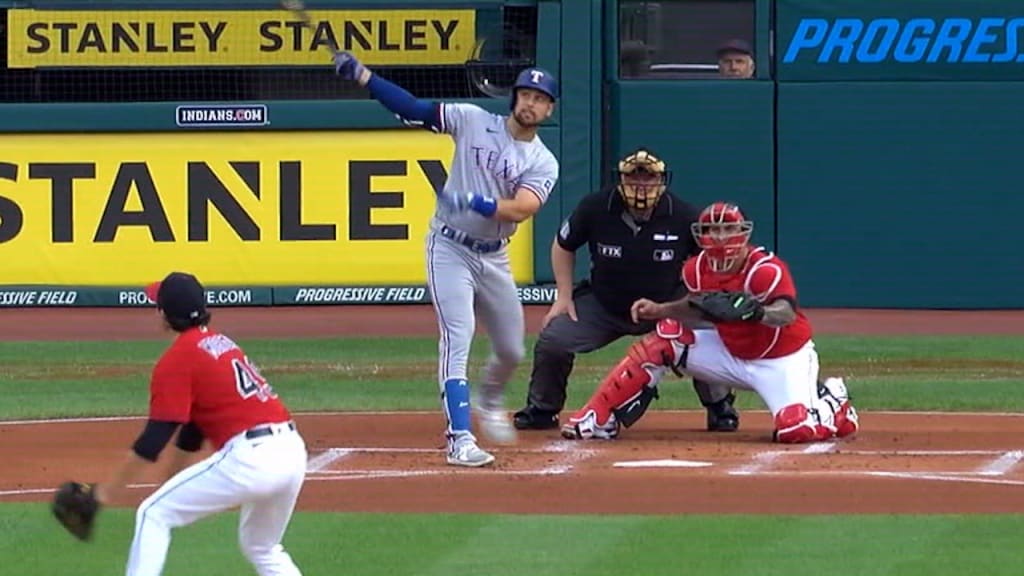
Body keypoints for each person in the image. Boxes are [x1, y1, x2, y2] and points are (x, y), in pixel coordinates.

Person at [332, 52, 560, 467]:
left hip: (494, 258)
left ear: (549, 108)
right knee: (458, 338)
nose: (530, 102)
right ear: (514, 97)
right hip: (449, 248)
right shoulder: (472, 119)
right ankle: (459, 438)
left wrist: (476, 201)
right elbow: (413, 108)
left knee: (511, 350)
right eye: (525, 93)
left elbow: (522, 209)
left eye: (539, 98)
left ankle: (489, 398)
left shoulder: (543, 161)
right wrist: (365, 77)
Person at [561, 202, 859, 443]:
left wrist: (756, 312)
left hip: (781, 359)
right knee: (666, 336)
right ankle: (598, 416)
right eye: (713, 230)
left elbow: (786, 313)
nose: (719, 237)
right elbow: (697, 307)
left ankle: (832, 400)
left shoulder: (765, 270)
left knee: (796, 431)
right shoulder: (696, 268)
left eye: (727, 228)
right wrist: (661, 309)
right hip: (731, 353)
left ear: (743, 232)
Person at [93, 271, 308, 576]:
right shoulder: (221, 343)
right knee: (262, 546)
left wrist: (103, 494)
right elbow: (191, 435)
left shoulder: (178, 359)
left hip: (253, 459)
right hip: (292, 451)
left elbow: (153, 440)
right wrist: (168, 486)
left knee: (152, 514)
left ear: (165, 314)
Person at [512, 147, 741, 433]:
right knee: (554, 338)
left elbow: (708, 259)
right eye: (633, 178)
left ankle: (719, 406)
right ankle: (543, 408)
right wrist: (564, 295)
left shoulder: (682, 214)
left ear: (661, 181)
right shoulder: (596, 207)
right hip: (606, 302)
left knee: (704, 332)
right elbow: (563, 245)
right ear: (621, 180)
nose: (641, 185)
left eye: (649, 178)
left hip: (666, 303)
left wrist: (699, 299)